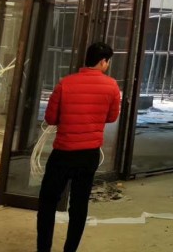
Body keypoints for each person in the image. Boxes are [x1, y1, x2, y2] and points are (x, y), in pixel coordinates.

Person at [37, 42, 122, 252]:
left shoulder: (65, 83)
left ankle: (43, 249)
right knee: (79, 204)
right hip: (88, 155)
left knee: (48, 203)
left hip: (63, 153)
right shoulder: (112, 86)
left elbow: (50, 118)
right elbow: (112, 117)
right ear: (103, 62)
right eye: (107, 62)